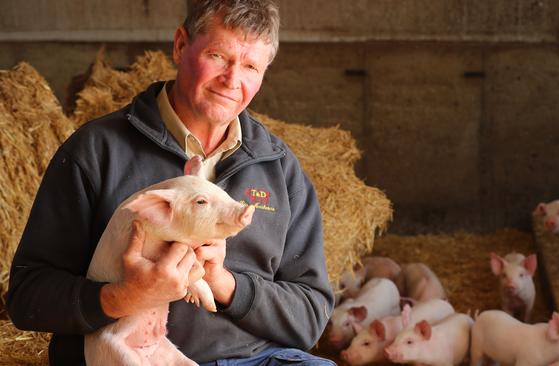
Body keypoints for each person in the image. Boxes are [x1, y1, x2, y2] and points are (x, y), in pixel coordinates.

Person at [6, 1, 335, 365]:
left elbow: (310, 314)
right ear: (180, 45)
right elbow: (27, 297)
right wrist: (124, 296)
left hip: (254, 359)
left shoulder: (279, 166)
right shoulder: (98, 150)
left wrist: (225, 284)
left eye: (251, 66)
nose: (232, 80)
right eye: (218, 56)